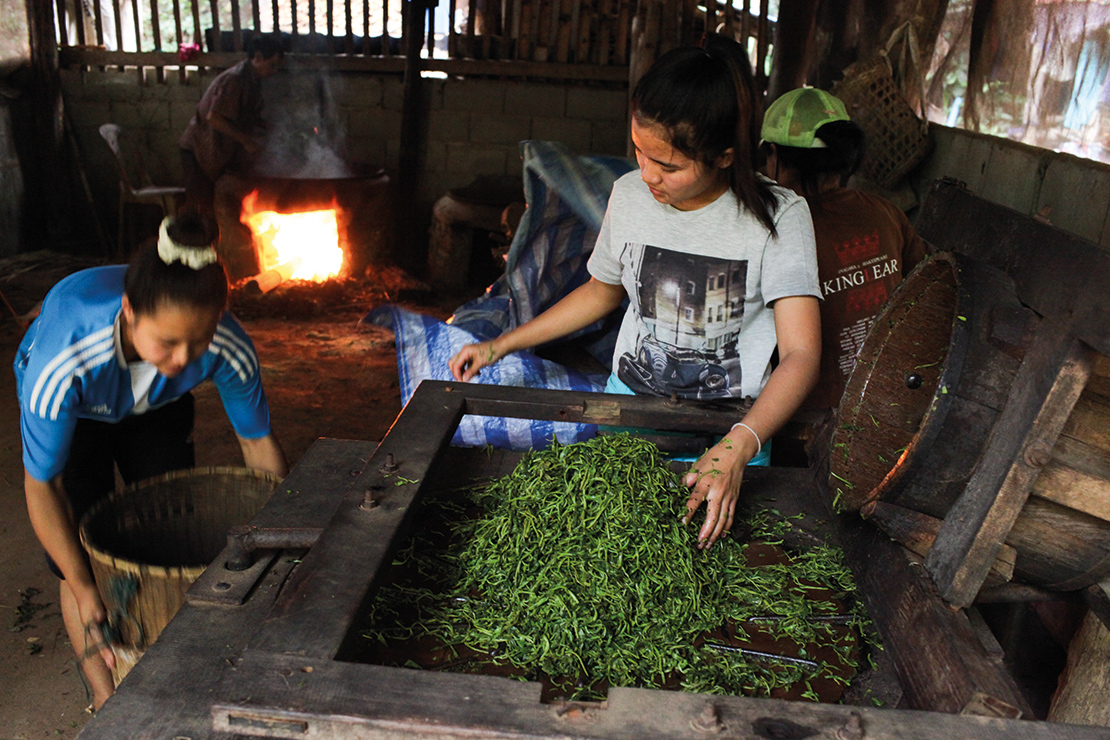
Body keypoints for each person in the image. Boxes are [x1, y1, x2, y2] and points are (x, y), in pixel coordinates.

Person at [449, 34, 821, 552]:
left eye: (668, 166)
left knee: (717, 569)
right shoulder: (629, 195)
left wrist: (738, 447)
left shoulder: (780, 216)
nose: (647, 175)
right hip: (632, 416)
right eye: (639, 152)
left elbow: (801, 355)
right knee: (611, 551)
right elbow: (600, 293)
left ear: (724, 155)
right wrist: (501, 344)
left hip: (734, 427)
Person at [14, 212, 288, 711]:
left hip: (156, 404)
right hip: (83, 405)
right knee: (79, 556)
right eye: (167, 341)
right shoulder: (63, 362)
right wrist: (82, 586)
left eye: (198, 341)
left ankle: (171, 667)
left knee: (167, 520)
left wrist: (280, 542)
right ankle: (105, 700)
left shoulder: (224, 345)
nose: (185, 358)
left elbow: (258, 447)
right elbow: (44, 486)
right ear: (129, 313)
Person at [759, 87, 930, 412]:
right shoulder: (886, 213)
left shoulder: (774, 228)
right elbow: (923, 287)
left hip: (802, 413)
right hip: (887, 401)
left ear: (774, 154)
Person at [179, 34, 284, 214]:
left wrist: (271, 128)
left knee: (217, 207)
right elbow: (214, 117)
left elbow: (245, 115)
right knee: (200, 208)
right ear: (257, 58)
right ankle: (188, 239)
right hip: (198, 151)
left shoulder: (253, 80)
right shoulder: (235, 79)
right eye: (272, 65)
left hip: (215, 151)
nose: (274, 71)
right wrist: (245, 140)